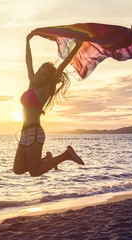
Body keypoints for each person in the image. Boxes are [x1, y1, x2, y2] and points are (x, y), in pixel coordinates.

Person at [13, 31, 85, 177]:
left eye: (43, 74)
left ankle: (66, 155)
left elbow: (61, 67)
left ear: (48, 79)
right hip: (25, 133)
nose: (38, 74)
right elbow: (28, 62)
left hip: (34, 133)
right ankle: (47, 159)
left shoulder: (45, 90)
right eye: (39, 71)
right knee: (18, 169)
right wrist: (27, 41)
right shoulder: (31, 85)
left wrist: (77, 47)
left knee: (34, 171)